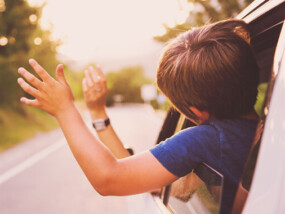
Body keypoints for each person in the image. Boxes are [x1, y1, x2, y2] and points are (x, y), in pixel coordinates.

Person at [17, 19, 259, 213]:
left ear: (196, 112)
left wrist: (64, 109)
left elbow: (109, 178)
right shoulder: (268, 130)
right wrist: (98, 113)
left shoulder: (206, 140)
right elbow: (146, 178)